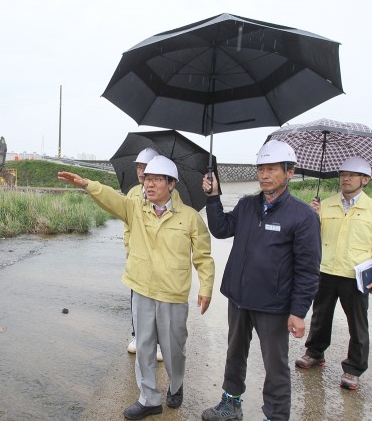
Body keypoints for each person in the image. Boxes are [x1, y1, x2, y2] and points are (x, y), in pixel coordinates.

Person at [58, 155, 215, 419]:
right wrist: (88, 184)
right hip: (141, 288)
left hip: (172, 293)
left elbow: (203, 257)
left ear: (171, 184)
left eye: (156, 180)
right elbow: (112, 199)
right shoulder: (135, 209)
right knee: (143, 346)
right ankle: (149, 397)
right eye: (147, 179)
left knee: (174, 348)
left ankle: (176, 385)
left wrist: (206, 287)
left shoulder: (189, 218)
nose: (149, 185)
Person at [201, 140, 321, 421]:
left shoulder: (302, 216)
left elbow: (308, 270)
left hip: (274, 305)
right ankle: (231, 404)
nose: (264, 175)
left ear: (290, 172)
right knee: (235, 352)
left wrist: (298, 312)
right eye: (261, 168)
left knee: (275, 365)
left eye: (272, 169)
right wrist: (213, 196)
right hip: (239, 298)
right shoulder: (246, 205)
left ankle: (276, 416)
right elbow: (220, 229)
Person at [295, 157, 372, 390]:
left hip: (356, 276)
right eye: (342, 174)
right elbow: (312, 239)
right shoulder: (326, 205)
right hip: (326, 271)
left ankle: (353, 369)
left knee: (357, 324)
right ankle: (315, 353)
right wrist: (313, 216)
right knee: (320, 316)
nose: (346, 179)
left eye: (352, 175)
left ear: (365, 180)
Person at [125, 148, 164, 362]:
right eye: (139, 167)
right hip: (137, 255)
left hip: (158, 257)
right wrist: (128, 249)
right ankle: (136, 336)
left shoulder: (164, 193)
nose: (141, 171)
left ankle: (157, 342)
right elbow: (127, 225)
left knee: (157, 298)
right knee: (136, 297)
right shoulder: (132, 193)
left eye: (145, 167)